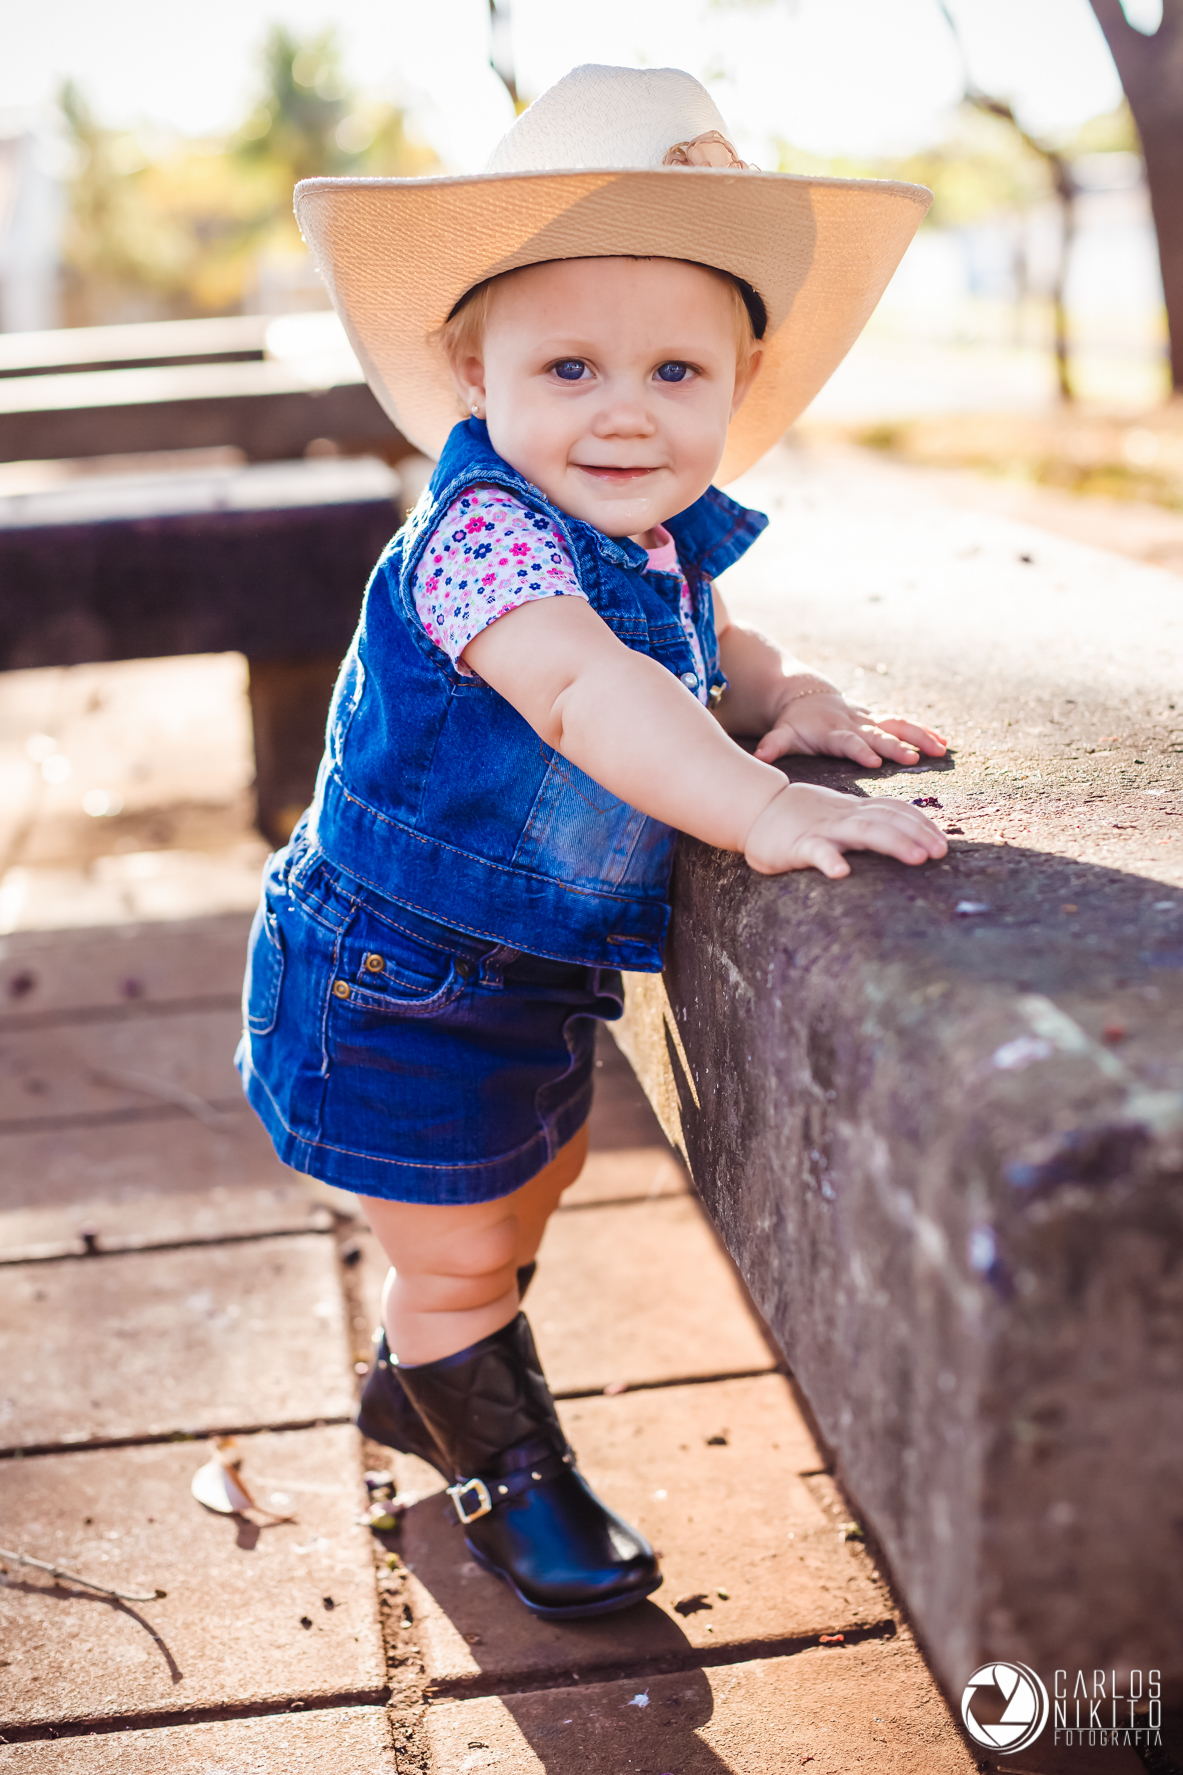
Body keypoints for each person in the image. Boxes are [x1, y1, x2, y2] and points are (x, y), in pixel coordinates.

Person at [237, 64, 946, 1623]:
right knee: (459, 1251)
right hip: (392, 979)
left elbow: (703, 653)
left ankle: (428, 1374)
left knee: (528, 1184)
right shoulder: (484, 541)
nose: (626, 409)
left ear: (737, 381)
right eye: (569, 366)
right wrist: (760, 808)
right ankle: (499, 1462)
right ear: (471, 370)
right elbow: (587, 688)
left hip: (526, 976)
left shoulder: (649, 534)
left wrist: (790, 703)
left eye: (675, 371)